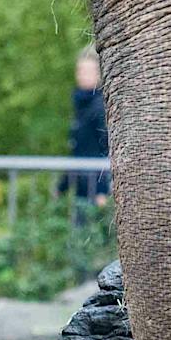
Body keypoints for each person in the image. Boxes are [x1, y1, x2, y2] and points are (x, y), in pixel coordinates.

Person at [63, 46, 111, 216]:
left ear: (99, 74)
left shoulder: (100, 107)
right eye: (80, 70)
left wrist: (102, 190)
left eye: (88, 70)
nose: (82, 75)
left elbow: (105, 147)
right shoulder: (80, 106)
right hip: (81, 186)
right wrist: (62, 185)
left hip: (97, 190)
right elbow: (77, 150)